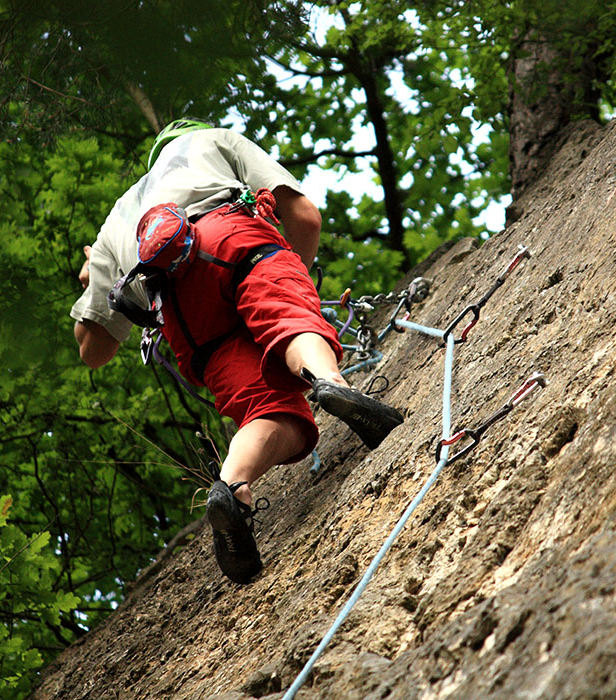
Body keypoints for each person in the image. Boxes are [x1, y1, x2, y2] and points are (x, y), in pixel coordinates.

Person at [70, 120, 404, 584]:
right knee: (290, 322)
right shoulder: (210, 140)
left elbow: (93, 350)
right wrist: (292, 276)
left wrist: (91, 277)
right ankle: (329, 383)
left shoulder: (115, 224)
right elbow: (304, 216)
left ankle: (232, 489)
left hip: (181, 313)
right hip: (229, 240)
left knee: (265, 408)